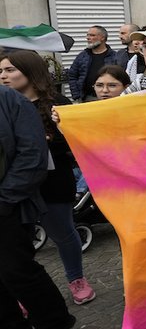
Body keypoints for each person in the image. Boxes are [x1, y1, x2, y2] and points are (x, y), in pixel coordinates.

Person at [0, 51, 97, 306]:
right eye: (1, 71)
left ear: (30, 71)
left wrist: (50, 140)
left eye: (10, 70)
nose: (4, 76)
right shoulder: (5, 105)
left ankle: (77, 279)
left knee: (62, 233)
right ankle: (25, 289)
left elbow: (77, 142)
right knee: (20, 241)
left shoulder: (56, 101)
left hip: (53, 181)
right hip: (16, 185)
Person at [0, 83, 77, 329]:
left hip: (8, 206)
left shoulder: (10, 101)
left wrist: (5, 198)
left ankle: (56, 322)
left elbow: (33, 154)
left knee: (17, 272)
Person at [66, 25, 118, 102]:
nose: (88, 38)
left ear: (102, 38)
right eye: (87, 35)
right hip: (86, 98)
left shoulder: (114, 56)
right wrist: (76, 95)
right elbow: (72, 75)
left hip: (108, 98)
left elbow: (120, 78)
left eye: (92, 35)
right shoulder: (82, 56)